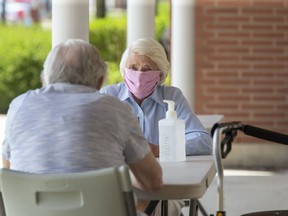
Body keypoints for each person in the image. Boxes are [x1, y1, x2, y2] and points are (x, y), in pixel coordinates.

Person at [1, 39, 163, 212]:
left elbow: (9, 170)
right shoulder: (116, 110)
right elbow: (153, 182)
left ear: (45, 78)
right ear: (100, 81)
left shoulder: (19, 106)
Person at [100, 38, 213, 215]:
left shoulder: (172, 96)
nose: (138, 74)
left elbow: (203, 140)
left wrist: (160, 149)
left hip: (164, 187)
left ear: (160, 75)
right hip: (120, 187)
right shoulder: (109, 96)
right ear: (124, 71)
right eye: (133, 67)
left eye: (146, 69)